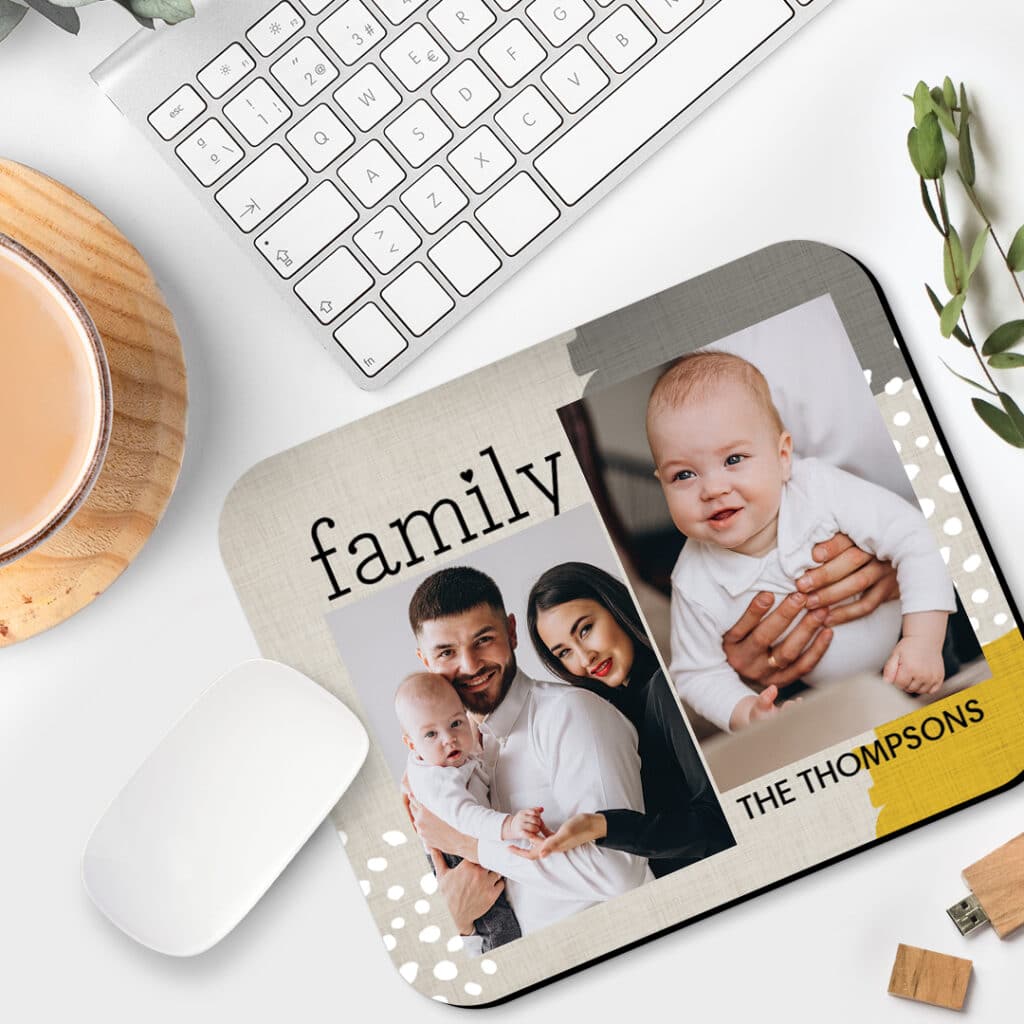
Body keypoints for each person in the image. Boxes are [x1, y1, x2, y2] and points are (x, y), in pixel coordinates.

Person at [646, 351, 955, 732]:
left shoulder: (819, 490)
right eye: (684, 475)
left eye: (733, 459)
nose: (713, 488)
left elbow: (914, 536)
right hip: (821, 700)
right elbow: (697, 673)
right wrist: (747, 712)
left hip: (919, 643)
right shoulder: (694, 582)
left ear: (783, 457)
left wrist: (923, 641)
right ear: (661, 482)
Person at [405, 566, 650, 945]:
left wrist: (470, 844)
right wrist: (459, 921)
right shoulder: (446, 760)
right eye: (447, 652)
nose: (469, 666)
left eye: (483, 640)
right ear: (426, 661)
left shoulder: (570, 715)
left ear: (512, 631)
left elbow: (620, 873)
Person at [524, 562, 734, 874]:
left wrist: (604, 825)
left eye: (585, 630)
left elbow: (719, 824)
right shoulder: (609, 715)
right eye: (564, 652)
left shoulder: (664, 689)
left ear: (614, 607)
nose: (585, 658)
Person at [396, 671, 544, 952]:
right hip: (455, 859)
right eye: (431, 734)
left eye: (455, 723)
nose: (448, 739)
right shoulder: (436, 778)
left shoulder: (449, 758)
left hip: (464, 846)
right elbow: (466, 817)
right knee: (500, 928)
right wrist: (509, 825)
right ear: (411, 743)